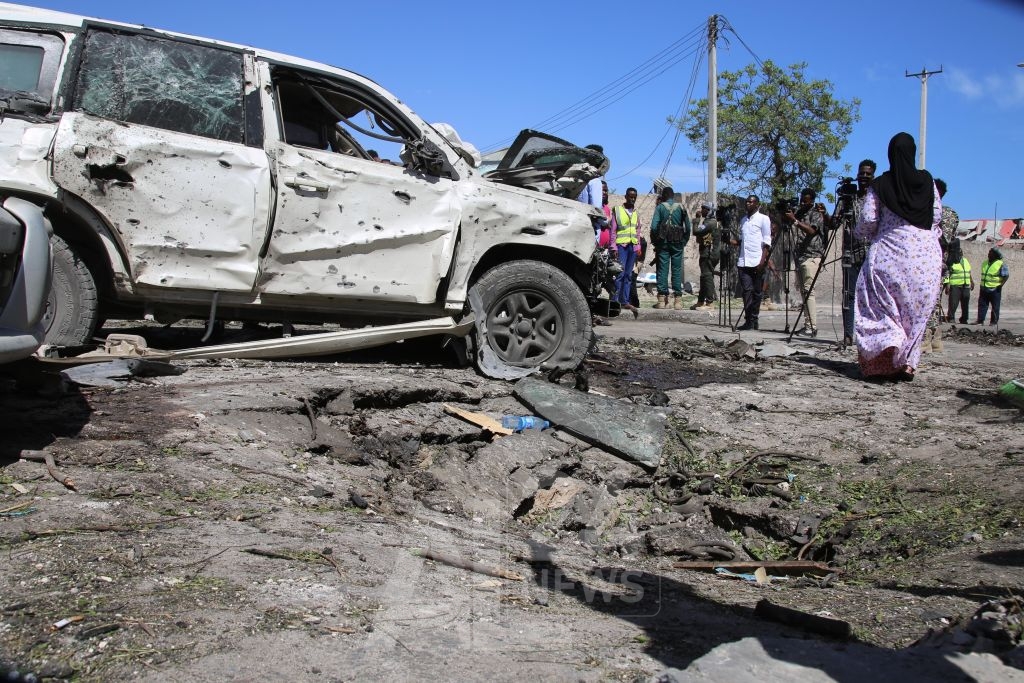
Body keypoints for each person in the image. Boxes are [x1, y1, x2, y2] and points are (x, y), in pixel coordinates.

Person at [853, 132, 942, 381]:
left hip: (889, 254)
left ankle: (887, 351)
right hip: (926, 258)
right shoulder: (928, 182)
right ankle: (908, 364)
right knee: (914, 316)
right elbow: (936, 217)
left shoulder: (880, 185)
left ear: (890, 154)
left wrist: (860, 233)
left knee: (880, 307)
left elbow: (869, 220)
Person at [842, 160, 876, 347]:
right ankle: (848, 334)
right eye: (861, 173)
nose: (863, 177)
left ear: (873, 176)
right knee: (848, 294)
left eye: (867, 174)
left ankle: (869, 336)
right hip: (850, 253)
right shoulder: (850, 199)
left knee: (871, 296)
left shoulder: (876, 198)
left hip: (871, 253)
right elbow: (834, 223)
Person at [784, 189, 827, 337]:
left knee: (809, 291)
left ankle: (812, 327)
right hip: (800, 257)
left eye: (806, 200)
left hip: (812, 256)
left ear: (812, 200)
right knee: (804, 292)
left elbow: (811, 231)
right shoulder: (799, 213)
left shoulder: (816, 214)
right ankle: (807, 325)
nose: (803, 202)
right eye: (802, 199)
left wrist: (794, 221)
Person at [732, 195, 772, 330]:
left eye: (751, 202)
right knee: (746, 291)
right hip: (744, 261)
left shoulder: (763, 219)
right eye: (747, 202)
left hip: (757, 261)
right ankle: (748, 320)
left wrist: (763, 261)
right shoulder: (744, 220)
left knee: (757, 292)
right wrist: (729, 241)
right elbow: (742, 241)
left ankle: (754, 319)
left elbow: (767, 241)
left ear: (757, 204)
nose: (748, 203)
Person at [649, 186, 691, 309]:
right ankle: (678, 301)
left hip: (664, 243)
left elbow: (654, 227)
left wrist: (656, 241)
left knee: (663, 269)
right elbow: (688, 227)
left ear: (664, 196)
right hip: (678, 242)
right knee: (676, 270)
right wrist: (684, 241)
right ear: (673, 196)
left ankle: (662, 300)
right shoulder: (681, 207)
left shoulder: (660, 207)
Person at [611, 187, 642, 318]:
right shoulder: (618, 210)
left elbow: (638, 231)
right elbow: (613, 230)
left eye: (634, 197)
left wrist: (638, 246)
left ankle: (625, 301)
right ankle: (614, 301)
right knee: (620, 274)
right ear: (625, 196)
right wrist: (613, 247)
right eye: (630, 196)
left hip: (632, 247)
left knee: (628, 276)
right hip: (621, 246)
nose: (632, 199)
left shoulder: (635, 213)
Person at [690, 201, 720, 310]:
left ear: (709, 211)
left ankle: (710, 303)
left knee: (707, 277)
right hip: (705, 253)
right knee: (704, 277)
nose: (701, 210)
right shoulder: (709, 222)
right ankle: (701, 301)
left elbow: (696, 231)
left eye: (704, 208)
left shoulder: (710, 223)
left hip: (709, 254)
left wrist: (696, 219)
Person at [976, 247, 1009, 325]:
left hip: (995, 289)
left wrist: (1001, 285)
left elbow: (1006, 275)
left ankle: (993, 322)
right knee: (982, 305)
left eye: (990, 252)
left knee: (995, 306)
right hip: (984, 288)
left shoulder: (1001, 264)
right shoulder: (985, 263)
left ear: (995, 255)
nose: (988, 254)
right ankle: (980, 321)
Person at [943, 241, 973, 324]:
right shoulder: (951, 261)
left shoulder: (965, 260)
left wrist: (972, 281)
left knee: (965, 303)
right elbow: (947, 273)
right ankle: (951, 317)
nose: (960, 254)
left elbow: (968, 271)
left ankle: (964, 319)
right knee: (953, 303)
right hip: (955, 285)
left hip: (966, 285)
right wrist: (947, 284)